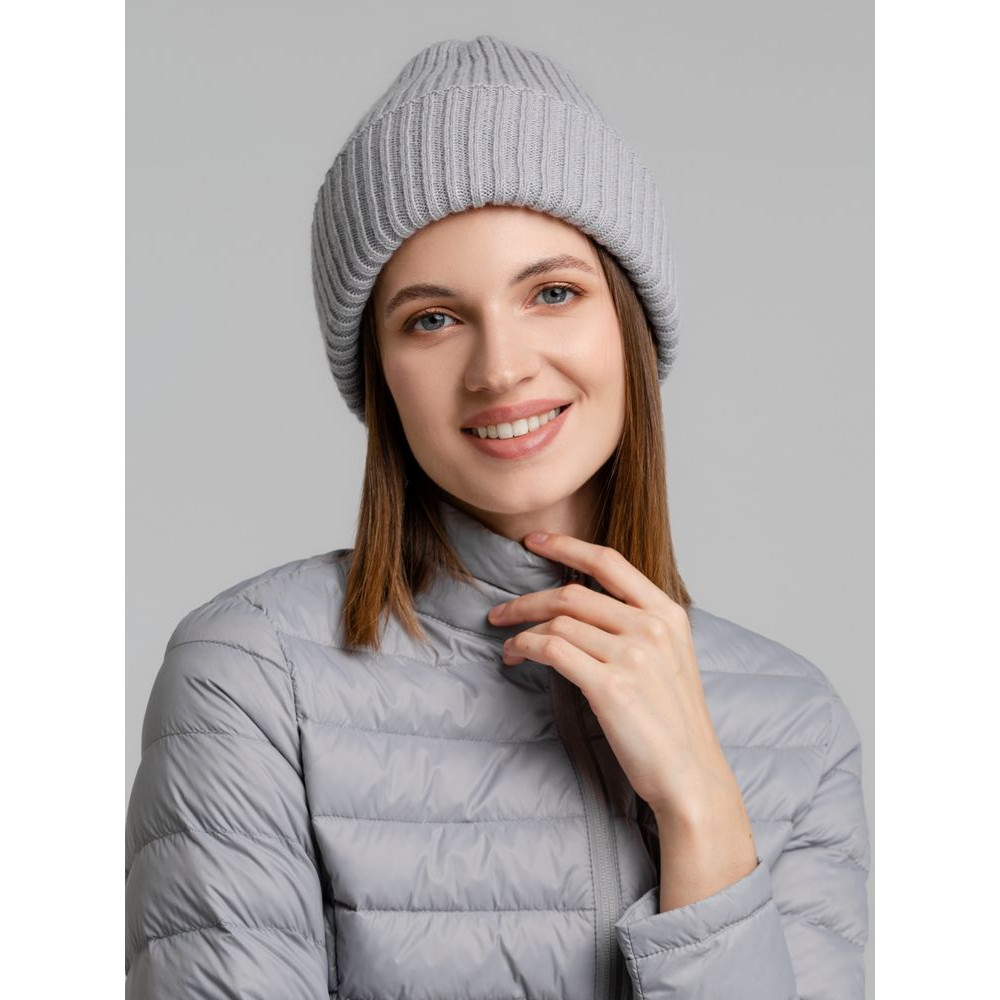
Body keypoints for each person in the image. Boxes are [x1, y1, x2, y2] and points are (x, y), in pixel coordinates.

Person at [125, 34, 870, 999]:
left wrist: (702, 811)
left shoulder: (795, 722)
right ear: (380, 373)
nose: (501, 368)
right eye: (432, 318)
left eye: (553, 293)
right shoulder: (252, 680)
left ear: (630, 325)